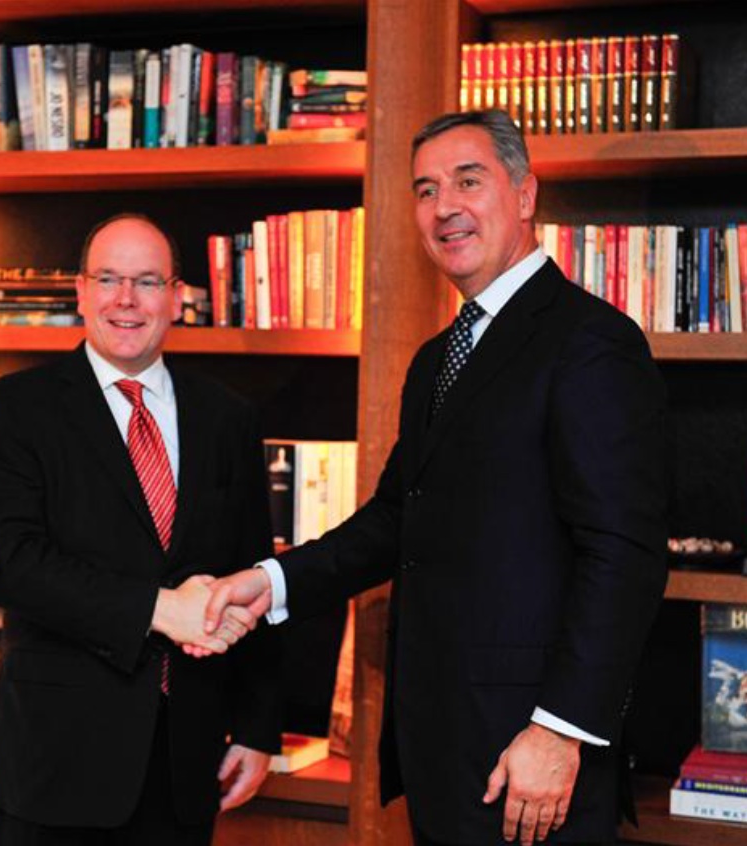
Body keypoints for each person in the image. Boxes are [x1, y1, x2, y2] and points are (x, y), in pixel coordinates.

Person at [202, 110, 668, 846]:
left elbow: (624, 555)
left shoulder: (591, 342)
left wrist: (560, 731)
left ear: (524, 195)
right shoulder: (437, 359)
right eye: (425, 190)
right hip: (443, 748)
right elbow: (397, 518)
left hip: (532, 759)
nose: (444, 206)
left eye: (467, 181)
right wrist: (270, 582)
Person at [0, 213, 280, 845]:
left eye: (147, 281)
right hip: (54, 758)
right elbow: (10, 564)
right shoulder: (13, 410)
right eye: (108, 279)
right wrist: (162, 610)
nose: (126, 299)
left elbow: (255, 575)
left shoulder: (228, 418)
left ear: (176, 297)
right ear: (81, 293)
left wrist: (256, 728)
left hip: (186, 759)